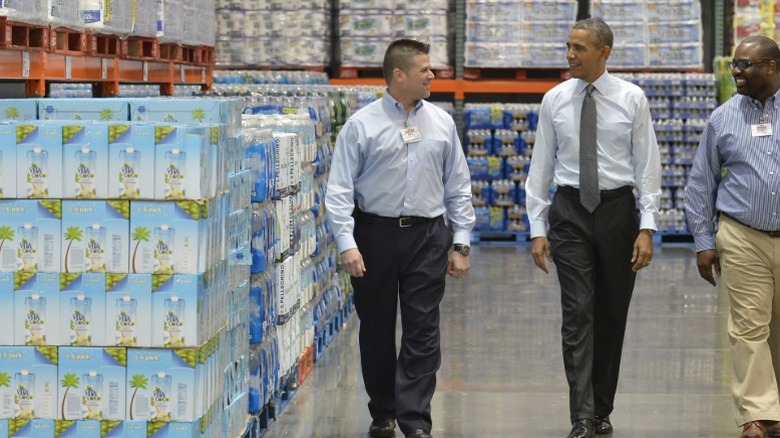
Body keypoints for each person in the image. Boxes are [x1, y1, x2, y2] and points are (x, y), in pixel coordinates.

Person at [324, 39, 475, 438]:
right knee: (376, 327)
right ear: (399, 75)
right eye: (424, 69)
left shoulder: (441, 123)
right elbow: (339, 190)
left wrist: (461, 242)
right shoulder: (361, 125)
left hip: (427, 236)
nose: (432, 75)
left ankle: (415, 420)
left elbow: (458, 186)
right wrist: (347, 243)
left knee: (423, 329)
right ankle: (383, 410)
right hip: (374, 235)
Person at [525, 18, 661, 438]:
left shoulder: (631, 99)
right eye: (568, 46)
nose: (570, 55)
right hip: (570, 212)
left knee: (611, 313)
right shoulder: (554, 99)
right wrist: (537, 227)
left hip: (618, 211)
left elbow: (648, 165)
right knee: (577, 313)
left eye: (579, 48)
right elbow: (540, 165)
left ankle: (602, 408)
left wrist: (647, 226)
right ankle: (581, 416)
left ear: (604, 52)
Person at [685, 36, 780, 438]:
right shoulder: (722, 119)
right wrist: (704, 241)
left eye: (744, 65)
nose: (736, 72)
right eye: (734, 66)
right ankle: (758, 414)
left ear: (771, 67)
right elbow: (700, 183)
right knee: (748, 327)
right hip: (743, 235)